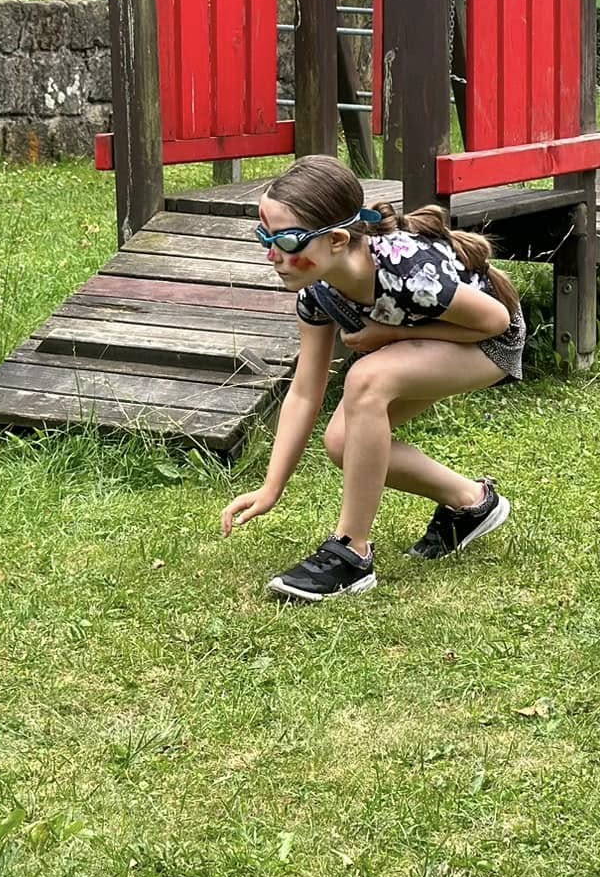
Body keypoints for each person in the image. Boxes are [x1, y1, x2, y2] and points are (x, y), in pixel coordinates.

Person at [220, 154, 525, 601]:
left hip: (488, 344)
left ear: (337, 239)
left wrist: (392, 334)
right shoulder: (319, 292)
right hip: (430, 342)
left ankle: (351, 552)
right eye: (265, 237)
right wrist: (272, 487)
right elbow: (304, 392)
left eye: (286, 240)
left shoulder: (407, 272)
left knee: (367, 377)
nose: (273, 255)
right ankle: (472, 503)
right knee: (342, 443)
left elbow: (496, 322)